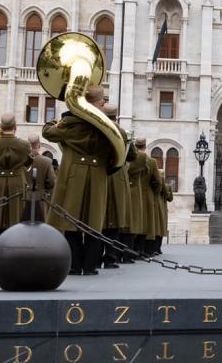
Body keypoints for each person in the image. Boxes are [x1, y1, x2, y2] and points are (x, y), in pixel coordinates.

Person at [41, 83, 114, 276]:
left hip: (72, 174)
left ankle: (74, 265)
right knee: (93, 220)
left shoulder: (70, 123)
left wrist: (57, 120)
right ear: (99, 104)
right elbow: (123, 151)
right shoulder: (107, 127)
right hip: (97, 176)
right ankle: (90, 266)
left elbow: (47, 132)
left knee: (70, 220)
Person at [98, 104, 136, 269]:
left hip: (99, 173)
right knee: (113, 218)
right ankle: (110, 258)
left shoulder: (97, 129)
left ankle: (93, 257)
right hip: (117, 176)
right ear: (116, 116)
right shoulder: (122, 133)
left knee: (98, 216)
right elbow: (132, 155)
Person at [0, 114, 31, 249]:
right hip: (17, 180)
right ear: (15, 127)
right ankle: (13, 248)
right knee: (15, 216)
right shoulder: (24, 144)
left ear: (2, 126)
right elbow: (27, 164)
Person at [126, 138, 157, 261]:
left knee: (128, 221)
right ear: (144, 146)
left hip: (126, 190)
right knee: (142, 222)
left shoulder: (125, 156)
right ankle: (139, 250)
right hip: (143, 192)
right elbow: (157, 181)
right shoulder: (149, 160)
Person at [27, 137, 56, 222]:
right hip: (40, 196)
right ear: (39, 145)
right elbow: (51, 181)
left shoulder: (21, 159)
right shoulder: (46, 161)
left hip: (23, 196)